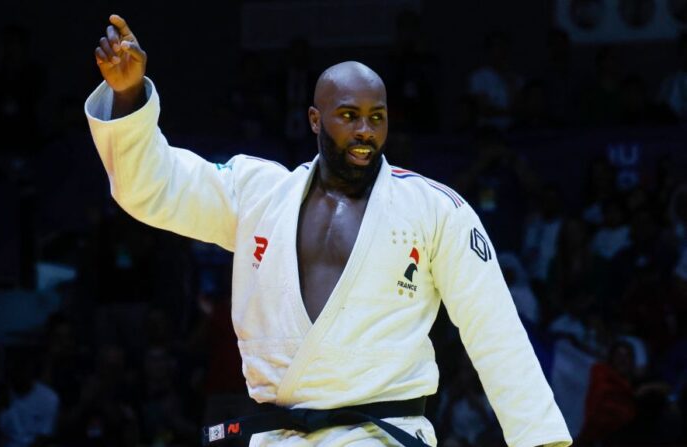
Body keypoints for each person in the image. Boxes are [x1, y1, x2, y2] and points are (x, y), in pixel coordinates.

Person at [85, 14, 571, 447]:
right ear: (315, 119)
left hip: (382, 435)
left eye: (376, 118)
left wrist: (541, 441)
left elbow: (497, 333)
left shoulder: (434, 209)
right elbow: (154, 188)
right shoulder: (260, 194)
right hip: (277, 436)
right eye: (349, 116)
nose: (365, 131)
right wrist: (129, 96)